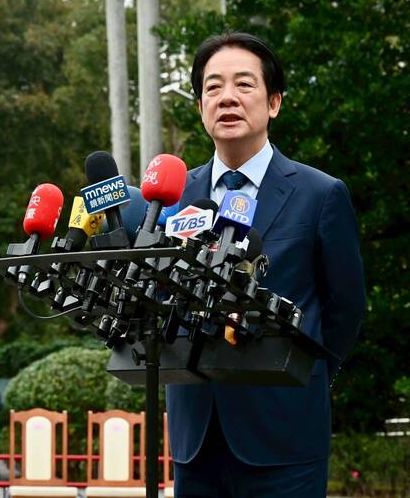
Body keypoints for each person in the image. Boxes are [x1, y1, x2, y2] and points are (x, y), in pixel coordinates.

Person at [166, 32, 366, 497]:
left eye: (244, 84)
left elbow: (346, 306)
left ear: (274, 102)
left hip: (286, 434)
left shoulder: (320, 194)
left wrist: (306, 374)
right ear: (199, 106)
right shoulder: (175, 199)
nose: (227, 98)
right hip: (195, 439)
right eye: (213, 87)